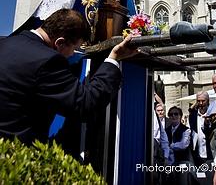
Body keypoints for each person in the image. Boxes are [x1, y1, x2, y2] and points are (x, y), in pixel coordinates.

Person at [0, 8, 136, 145]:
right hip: (14, 154)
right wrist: (113, 59)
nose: (72, 54)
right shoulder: (48, 60)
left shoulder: (5, 44)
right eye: (74, 49)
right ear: (60, 43)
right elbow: (85, 104)